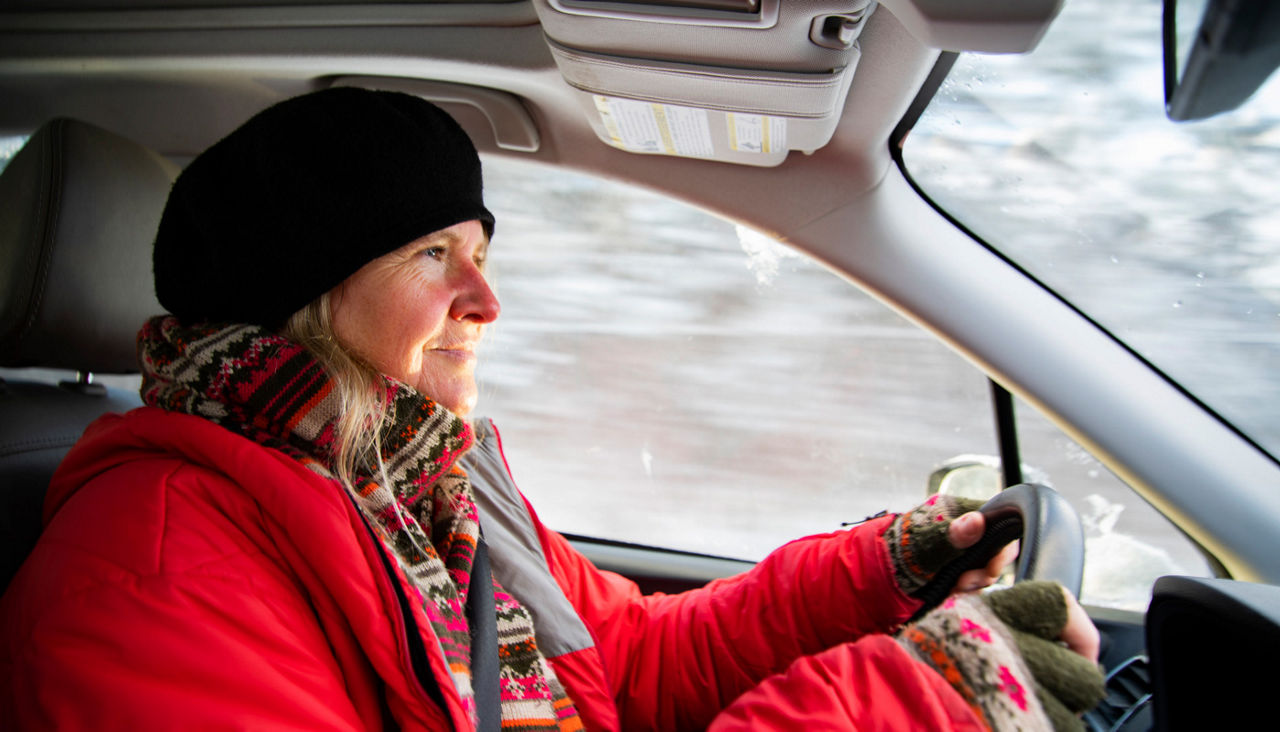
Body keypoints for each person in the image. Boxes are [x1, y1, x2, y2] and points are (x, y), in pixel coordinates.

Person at [0, 88, 1104, 730]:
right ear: (302, 297)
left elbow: (619, 659)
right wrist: (921, 703)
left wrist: (876, 577)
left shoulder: (423, 473)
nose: (486, 300)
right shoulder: (141, 578)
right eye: (435, 255)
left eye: (479, 253)